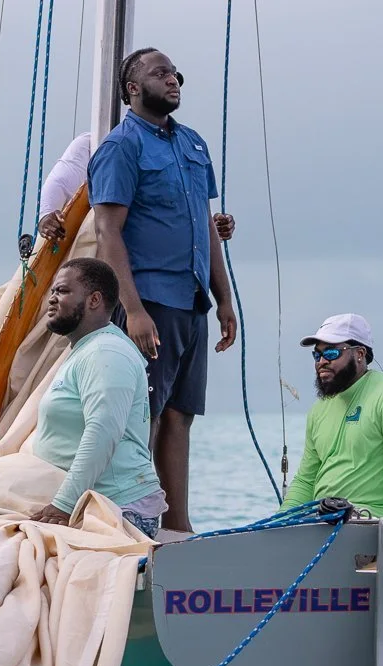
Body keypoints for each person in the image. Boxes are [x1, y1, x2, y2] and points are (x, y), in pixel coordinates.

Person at [87, 47, 236, 534]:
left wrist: (225, 298)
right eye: (160, 73)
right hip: (149, 300)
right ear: (133, 88)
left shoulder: (193, 144)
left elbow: (206, 227)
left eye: (175, 72)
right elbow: (108, 233)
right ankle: (132, 528)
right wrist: (132, 310)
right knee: (143, 417)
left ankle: (178, 528)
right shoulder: (122, 146)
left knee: (180, 415)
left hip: (192, 302)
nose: (173, 80)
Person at [29, 257, 166, 538]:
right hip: (86, 501)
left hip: (118, 509)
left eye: (63, 291)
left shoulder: (106, 353)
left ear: (94, 300)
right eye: (53, 292)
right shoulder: (85, 350)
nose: (52, 299)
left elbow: (103, 431)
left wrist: (63, 505)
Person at [280, 314, 383, 518]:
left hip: (370, 523)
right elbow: (306, 480)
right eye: (317, 355)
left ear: (360, 354)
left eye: (331, 353)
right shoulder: (319, 408)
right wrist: (278, 525)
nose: (321, 362)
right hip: (320, 521)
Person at [37, 131, 234, 244]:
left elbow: (173, 208)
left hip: (158, 274)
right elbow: (61, 182)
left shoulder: (180, 146)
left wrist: (208, 228)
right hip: (98, 264)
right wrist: (47, 216)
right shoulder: (92, 144)